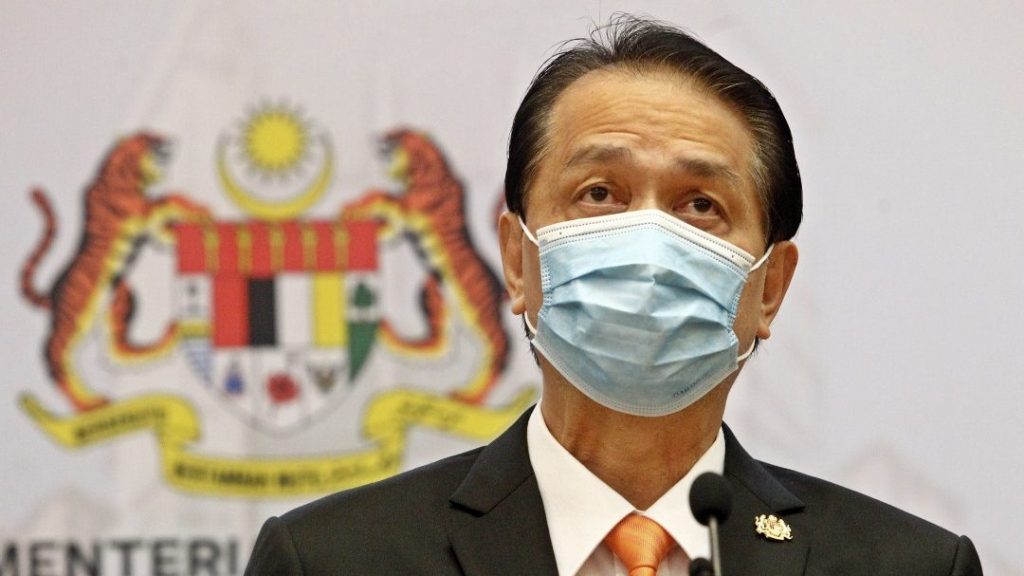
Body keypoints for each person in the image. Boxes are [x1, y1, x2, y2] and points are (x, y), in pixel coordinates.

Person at [244, 15, 983, 575]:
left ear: (770, 289)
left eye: (701, 205)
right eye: (600, 193)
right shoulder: (330, 560)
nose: (649, 243)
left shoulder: (912, 567)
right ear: (516, 260)